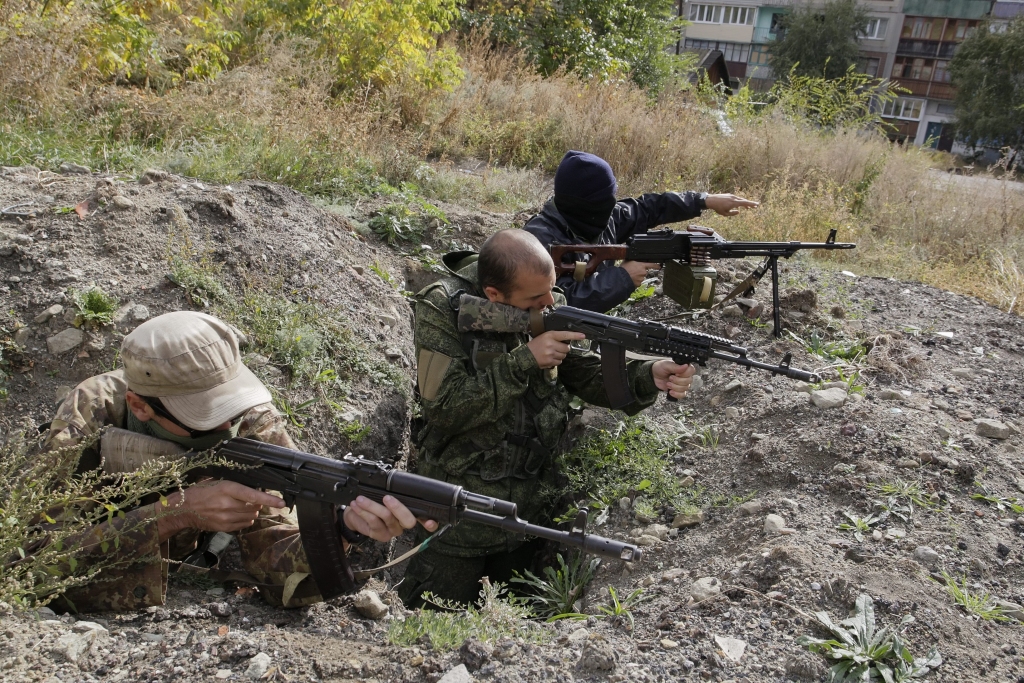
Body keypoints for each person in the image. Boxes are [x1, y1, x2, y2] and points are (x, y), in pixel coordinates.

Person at [42, 310, 436, 611]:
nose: (229, 426)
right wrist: (174, 514)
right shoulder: (89, 417)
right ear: (140, 407)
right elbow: (29, 564)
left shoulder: (251, 422)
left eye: (230, 405)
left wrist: (343, 530)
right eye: (205, 417)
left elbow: (274, 562)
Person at [398, 229, 698, 607]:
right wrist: (524, 359)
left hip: (529, 517)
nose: (548, 305)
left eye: (551, 293)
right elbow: (445, 408)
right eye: (535, 301)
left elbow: (581, 371)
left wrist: (647, 374)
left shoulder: (545, 299)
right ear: (494, 295)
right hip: (457, 521)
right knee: (428, 621)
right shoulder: (444, 308)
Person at [524, 150, 759, 312]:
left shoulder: (606, 217)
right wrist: (622, 278)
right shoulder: (536, 241)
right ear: (587, 205)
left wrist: (703, 200)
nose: (612, 206)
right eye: (606, 201)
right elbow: (553, 305)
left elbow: (649, 208)